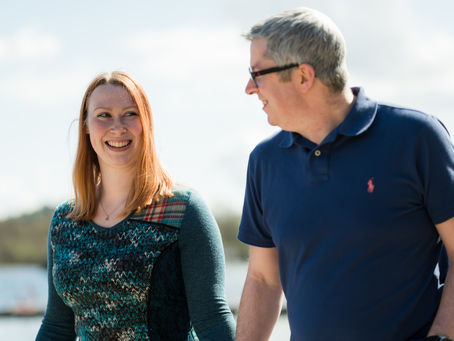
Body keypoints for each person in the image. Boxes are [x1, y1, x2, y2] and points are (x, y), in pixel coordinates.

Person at [236, 7, 454, 341]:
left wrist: (442, 337)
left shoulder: (416, 138)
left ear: (303, 77)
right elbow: (263, 279)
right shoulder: (265, 161)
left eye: (258, 73)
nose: (250, 88)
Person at [36, 71, 235, 340]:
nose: (117, 126)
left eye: (130, 113)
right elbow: (56, 327)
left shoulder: (182, 210)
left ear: (146, 123)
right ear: (86, 126)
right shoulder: (65, 221)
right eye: (103, 115)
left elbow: (212, 319)